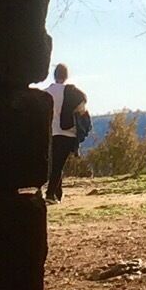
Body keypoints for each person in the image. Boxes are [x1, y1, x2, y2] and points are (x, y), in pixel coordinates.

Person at [37, 64, 89, 201]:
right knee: (58, 164)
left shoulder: (46, 92)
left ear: (54, 75)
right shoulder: (73, 93)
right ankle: (50, 193)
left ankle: (57, 194)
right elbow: (82, 108)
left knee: (55, 163)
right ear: (66, 76)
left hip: (50, 132)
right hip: (67, 133)